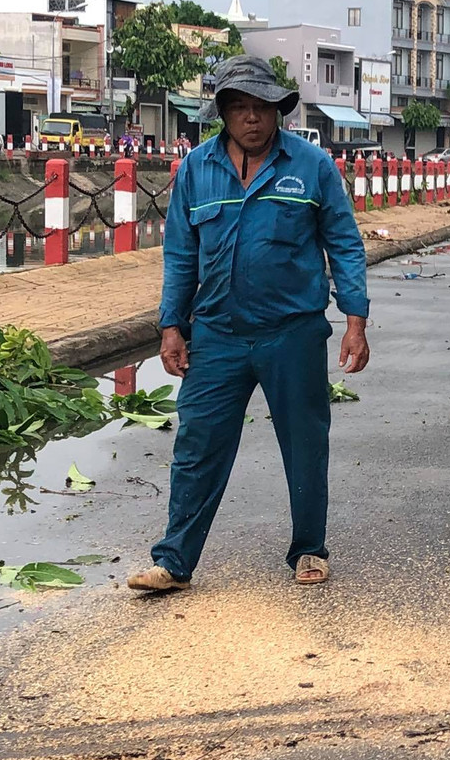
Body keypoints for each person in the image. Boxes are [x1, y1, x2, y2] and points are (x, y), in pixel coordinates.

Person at [126, 54, 370, 594]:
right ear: (223, 113)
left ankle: (309, 548)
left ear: (278, 111)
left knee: (306, 442)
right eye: (240, 108)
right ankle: (174, 560)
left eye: (261, 107)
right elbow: (180, 254)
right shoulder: (195, 169)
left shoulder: (313, 166)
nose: (252, 119)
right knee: (197, 445)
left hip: (293, 332)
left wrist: (356, 319)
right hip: (216, 334)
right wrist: (171, 325)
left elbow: (345, 243)